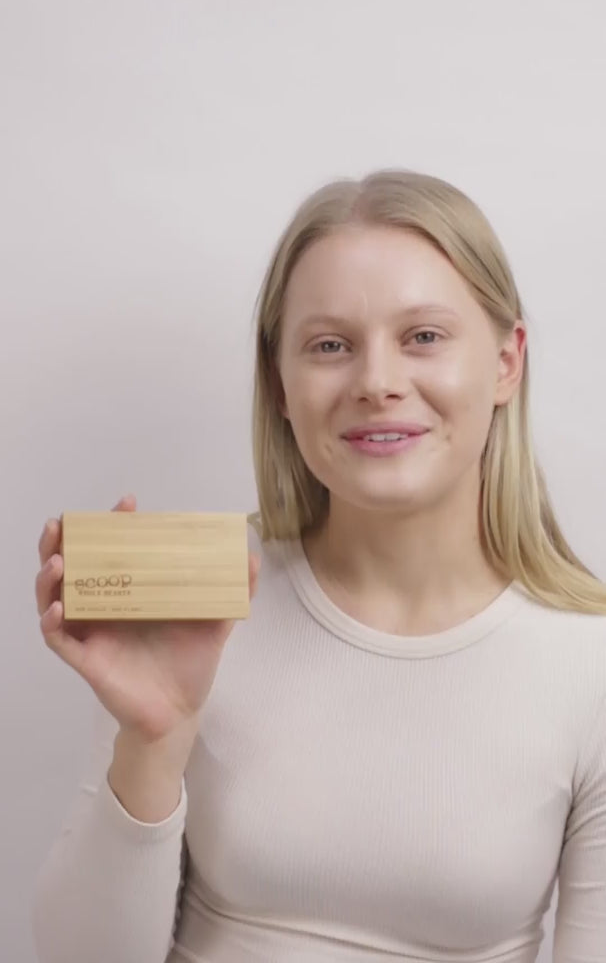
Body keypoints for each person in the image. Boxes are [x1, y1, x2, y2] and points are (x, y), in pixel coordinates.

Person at [32, 169, 606, 963]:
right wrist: (154, 740)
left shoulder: (589, 665)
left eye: (424, 337)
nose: (377, 382)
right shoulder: (199, 601)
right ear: (279, 382)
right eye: (330, 345)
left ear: (507, 362)